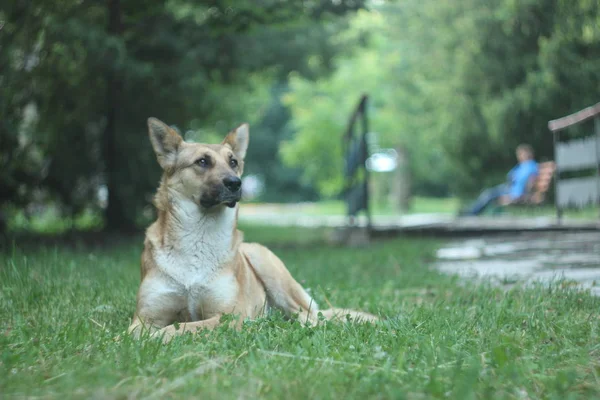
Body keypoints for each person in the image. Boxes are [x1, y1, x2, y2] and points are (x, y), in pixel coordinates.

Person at [460, 144, 539, 216]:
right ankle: (472, 211)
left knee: (489, 194)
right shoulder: (521, 166)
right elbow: (511, 176)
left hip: (516, 193)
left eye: (522, 154)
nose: (520, 156)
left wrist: (526, 194)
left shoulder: (532, 166)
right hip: (510, 188)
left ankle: (472, 212)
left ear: (529, 153)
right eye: (519, 154)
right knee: (488, 193)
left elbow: (531, 182)